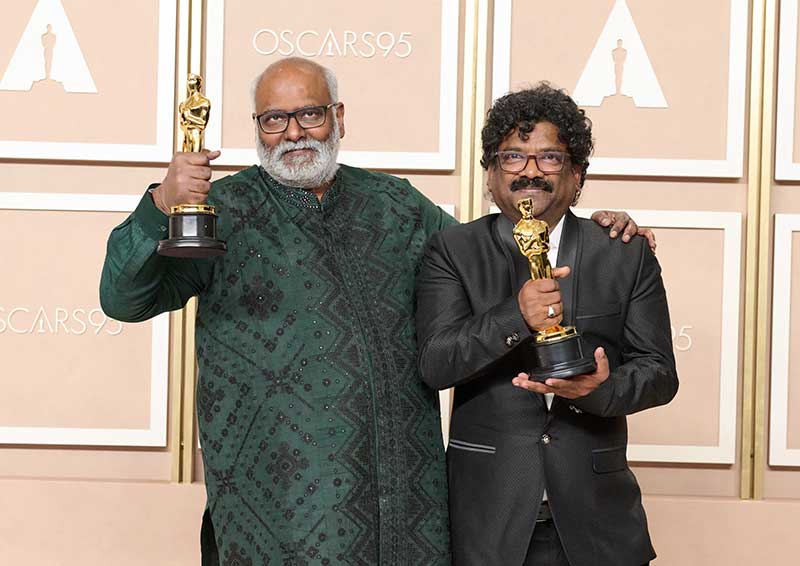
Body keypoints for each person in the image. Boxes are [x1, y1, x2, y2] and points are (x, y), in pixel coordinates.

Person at [100, 58, 651, 565]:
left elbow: (499, 258)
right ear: (256, 127)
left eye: (309, 114)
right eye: (274, 120)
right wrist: (159, 206)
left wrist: (590, 235)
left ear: (338, 117)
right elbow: (126, 299)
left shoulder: (395, 205)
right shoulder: (222, 210)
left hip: (406, 501)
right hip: (281, 507)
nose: (293, 133)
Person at [415, 83, 678, 566]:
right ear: (490, 174)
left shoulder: (623, 252)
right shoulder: (452, 251)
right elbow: (436, 363)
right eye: (513, 157)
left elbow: (660, 373)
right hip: (488, 520)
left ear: (577, 176)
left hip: (598, 522)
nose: (530, 171)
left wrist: (599, 390)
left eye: (551, 158)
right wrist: (517, 315)